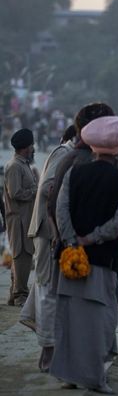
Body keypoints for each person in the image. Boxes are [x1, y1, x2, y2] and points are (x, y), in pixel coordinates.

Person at [51, 116, 118, 394]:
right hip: (102, 260)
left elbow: (61, 212)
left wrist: (73, 240)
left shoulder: (75, 173)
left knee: (70, 319)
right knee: (99, 320)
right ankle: (95, 378)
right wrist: (91, 239)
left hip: (70, 259)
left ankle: (68, 375)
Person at [19, 125, 76, 371]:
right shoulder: (64, 153)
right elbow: (46, 189)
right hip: (47, 230)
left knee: (44, 285)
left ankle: (31, 320)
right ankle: (48, 354)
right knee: (47, 288)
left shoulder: (64, 152)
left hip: (48, 229)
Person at [4, 128, 37, 308]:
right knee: (21, 257)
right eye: (32, 146)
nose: (33, 148)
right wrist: (35, 192)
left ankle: (13, 294)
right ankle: (19, 296)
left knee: (23, 257)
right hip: (18, 220)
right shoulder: (15, 166)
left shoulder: (23, 164)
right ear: (26, 147)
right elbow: (15, 192)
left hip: (25, 219)